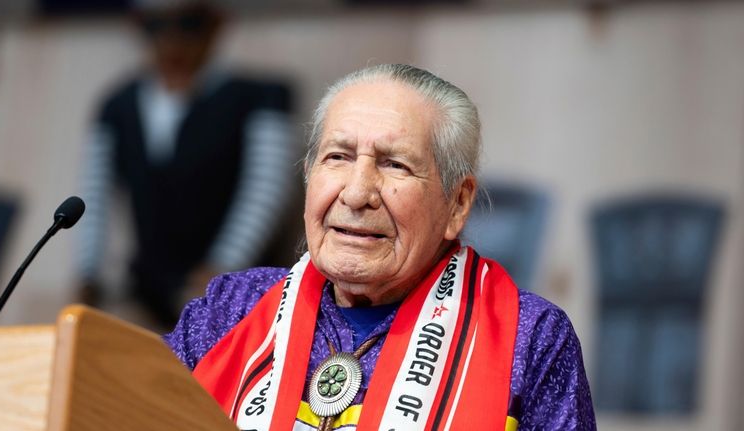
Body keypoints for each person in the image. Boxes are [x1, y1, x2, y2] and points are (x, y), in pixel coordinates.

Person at [165, 64, 596, 430]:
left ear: (457, 204)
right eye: (337, 157)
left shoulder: (531, 337)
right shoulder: (230, 310)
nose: (356, 194)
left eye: (394, 164)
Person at [76, 0, 295, 327]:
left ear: (216, 25)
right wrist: (88, 271)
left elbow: (265, 191)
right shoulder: (116, 105)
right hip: (147, 292)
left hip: (242, 294)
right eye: (156, 27)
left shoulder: (261, 99)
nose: (172, 40)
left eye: (188, 24)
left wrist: (222, 267)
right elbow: (92, 198)